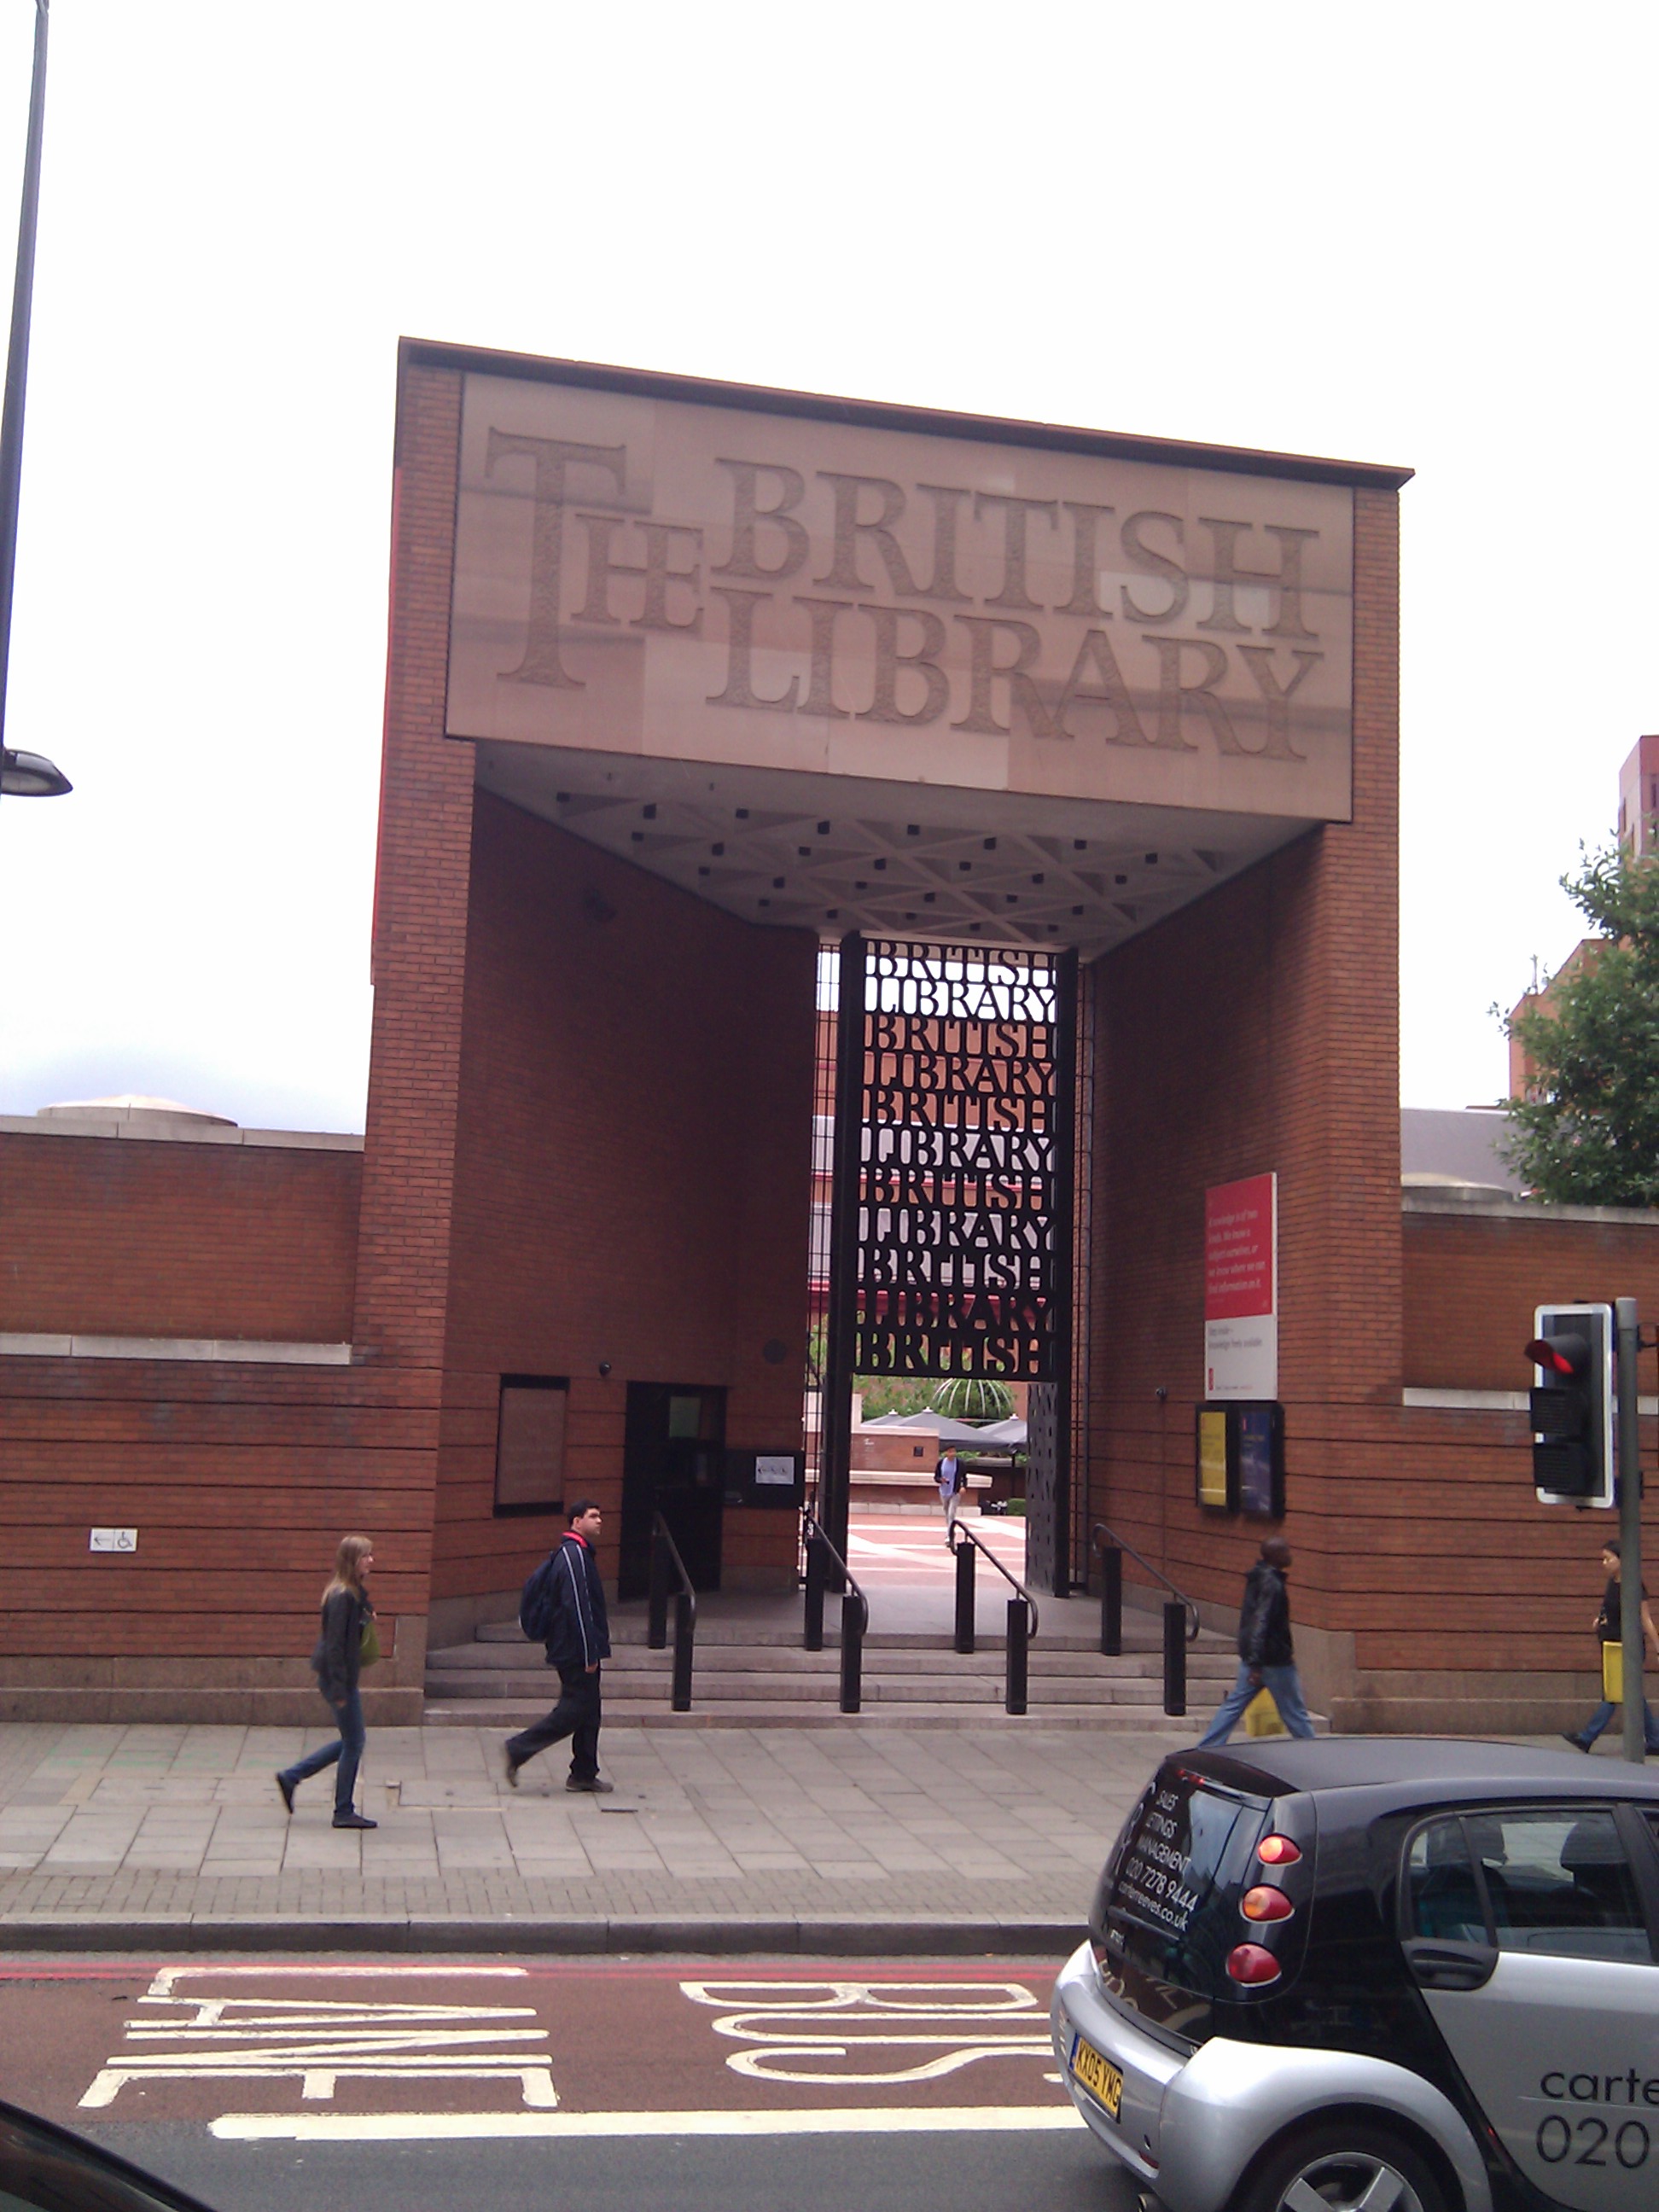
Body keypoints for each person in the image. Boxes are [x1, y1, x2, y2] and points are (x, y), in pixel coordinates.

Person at [504, 1499, 614, 1792]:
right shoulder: (574, 1555)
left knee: (590, 1710)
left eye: (599, 1515)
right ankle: (519, 1748)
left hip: (575, 1647)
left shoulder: (574, 1554)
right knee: (574, 1709)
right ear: (576, 1522)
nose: (599, 1521)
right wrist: (590, 1653)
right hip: (575, 1650)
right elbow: (577, 1606)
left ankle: (583, 1773)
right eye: (593, 1516)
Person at [276, 1534, 379, 1830]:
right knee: (355, 1741)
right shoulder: (341, 1597)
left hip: (343, 1677)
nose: (371, 1560)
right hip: (338, 1679)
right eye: (365, 1556)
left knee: (351, 1740)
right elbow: (334, 1646)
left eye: (371, 1555)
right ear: (352, 1561)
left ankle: (291, 1777)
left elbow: (359, 1610)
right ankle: (343, 1811)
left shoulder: (352, 1592)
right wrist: (338, 1689)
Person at [1196, 1535, 1316, 1746]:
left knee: (1234, 1705)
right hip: (1273, 1661)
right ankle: (1314, 1750)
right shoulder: (1272, 1584)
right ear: (1276, 1556)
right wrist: (1257, 1664)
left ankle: (1208, 1746)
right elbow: (1261, 1623)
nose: (1291, 1555)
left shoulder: (1258, 1578)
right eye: (1286, 1551)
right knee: (1294, 1712)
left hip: (1256, 1659)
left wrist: (1252, 1661)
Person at [1562, 1538, 1659, 1755]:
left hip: (1626, 1648)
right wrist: (1600, 1619)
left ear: (1622, 1560)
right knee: (1632, 1693)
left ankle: (1587, 1737)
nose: (1603, 1563)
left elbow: (1645, 1618)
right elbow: (1608, 1607)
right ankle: (1655, 1740)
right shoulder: (1612, 1583)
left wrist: (1657, 1646)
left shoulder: (1633, 1585)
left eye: (1607, 1559)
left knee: (1612, 1695)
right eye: (1602, 1559)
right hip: (1611, 1646)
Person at [936, 1447, 963, 1529]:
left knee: (952, 1513)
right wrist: (941, 1480)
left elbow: (964, 1477)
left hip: (955, 1491)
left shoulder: (960, 1463)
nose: (952, 1454)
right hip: (944, 1491)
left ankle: (949, 1534)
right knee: (947, 1512)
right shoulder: (941, 1463)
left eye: (954, 1452)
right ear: (946, 1453)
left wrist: (963, 1486)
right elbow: (936, 1477)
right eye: (950, 1452)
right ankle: (950, 1529)